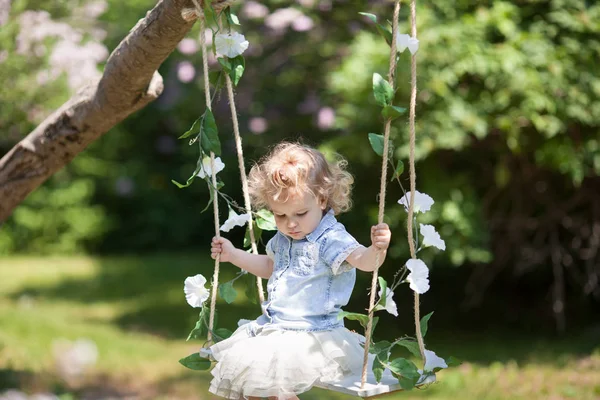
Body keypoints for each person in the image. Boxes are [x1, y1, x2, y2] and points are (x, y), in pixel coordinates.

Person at [209, 142, 391, 400]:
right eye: (280, 216)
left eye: (300, 213)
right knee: (252, 389)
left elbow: (364, 261)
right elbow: (271, 267)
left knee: (274, 392)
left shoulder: (330, 238)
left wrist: (377, 249)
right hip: (277, 329)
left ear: (322, 199)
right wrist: (233, 255)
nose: (290, 223)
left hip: (312, 336)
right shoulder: (284, 239)